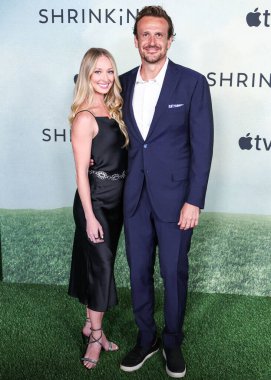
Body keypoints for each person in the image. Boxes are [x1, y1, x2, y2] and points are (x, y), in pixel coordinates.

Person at [119, 6, 213, 378]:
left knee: (173, 272)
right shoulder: (122, 82)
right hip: (134, 198)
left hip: (177, 200)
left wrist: (195, 200)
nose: (152, 41)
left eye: (159, 34)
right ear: (136, 40)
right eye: (145, 34)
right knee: (138, 270)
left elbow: (202, 147)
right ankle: (147, 338)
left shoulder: (191, 83)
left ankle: (172, 341)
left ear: (170, 40)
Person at [68, 47, 128, 370]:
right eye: (97, 72)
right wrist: (90, 216)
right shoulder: (84, 118)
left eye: (109, 71)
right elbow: (80, 173)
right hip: (95, 204)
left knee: (101, 267)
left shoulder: (115, 110)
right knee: (102, 267)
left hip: (117, 203)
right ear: (87, 76)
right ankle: (96, 337)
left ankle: (91, 324)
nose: (105, 78)